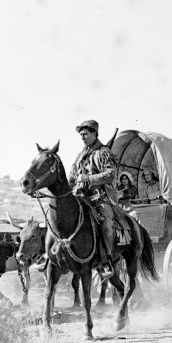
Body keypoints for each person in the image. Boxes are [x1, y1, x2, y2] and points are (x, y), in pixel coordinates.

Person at [69, 119, 119, 280]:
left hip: (101, 198)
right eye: (81, 135)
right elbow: (71, 177)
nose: (82, 138)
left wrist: (88, 178)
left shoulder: (104, 152)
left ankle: (106, 261)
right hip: (80, 198)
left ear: (94, 134)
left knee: (106, 225)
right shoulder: (80, 156)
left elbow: (111, 174)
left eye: (85, 134)